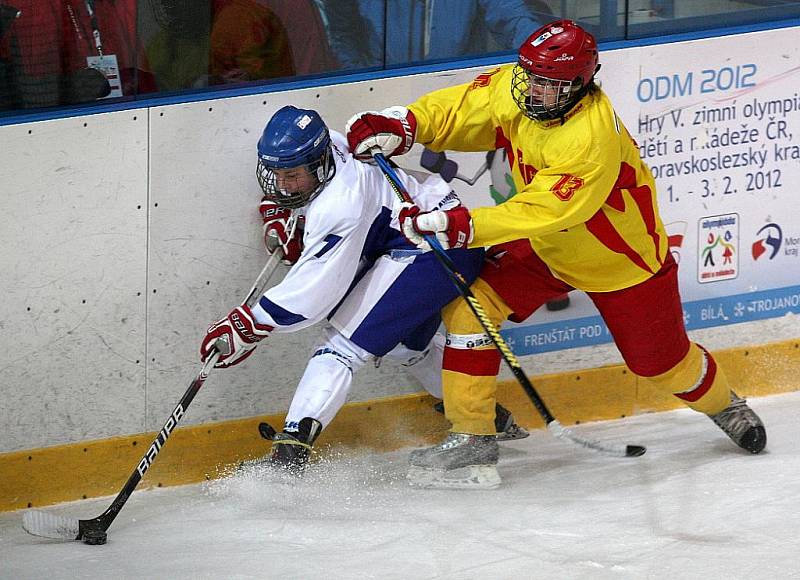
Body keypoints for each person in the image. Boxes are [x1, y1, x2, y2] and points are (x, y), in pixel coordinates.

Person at [346, 19, 767, 489]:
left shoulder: (590, 137)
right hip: (547, 250)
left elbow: (548, 209)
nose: (536, 90)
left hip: (619, 263)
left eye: (552, 83)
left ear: (582, 85)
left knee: (660, 365)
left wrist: (466, 225)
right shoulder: (522, 85)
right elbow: (464, 109)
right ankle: (472, 436)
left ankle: (724, 403)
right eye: (532, 76)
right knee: (471, 305)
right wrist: (405, 124)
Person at [199, 105, 525, 472]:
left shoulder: (342, 203)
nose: (284, 185)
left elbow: (314, 293)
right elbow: (318, 209)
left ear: (318, 163)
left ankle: (288, 456)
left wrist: (251, 323)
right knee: (404, 346)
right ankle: (485, 418)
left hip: (434, 247)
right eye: (277, 175)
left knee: (340, 345)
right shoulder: (331, 147)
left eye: (292, 176)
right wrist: (292, 219)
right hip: (435, 233)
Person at [7, 0, 155, 109]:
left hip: (125, 119)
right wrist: (68, 89)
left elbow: (143, 75)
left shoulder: (121, 5)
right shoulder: (32, 6)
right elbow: (26, 95)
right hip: (62, 123)